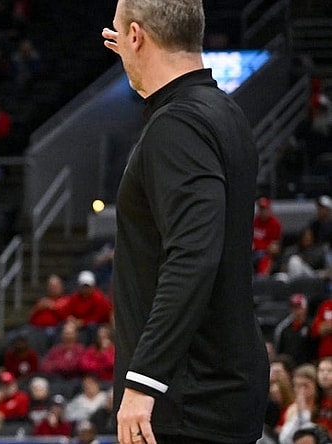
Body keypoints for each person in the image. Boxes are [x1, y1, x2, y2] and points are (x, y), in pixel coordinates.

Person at [101, 1, 270, 442]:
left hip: (187, 398)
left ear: (136, 36)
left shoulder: (177, 125)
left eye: (123, 36)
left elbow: (193, 256)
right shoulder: (220, 112)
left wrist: (143, 381)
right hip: (215, 387)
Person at [60, 271, 112, 346]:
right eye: (84, 286)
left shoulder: (99, 298)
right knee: (63, 327)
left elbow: (97, 317)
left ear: (93, 286)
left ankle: (89, 347)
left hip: (96, 324)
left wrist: (83, 322)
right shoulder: (75, 297)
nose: (85, 289)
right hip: (78, 323)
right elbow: (65, 311)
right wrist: (70, 319)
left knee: (92, 327)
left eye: (88, 286)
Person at [274, 294, 317, 366]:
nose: (296, 311)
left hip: (307, 365)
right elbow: (279, 347)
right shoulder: (284, 327)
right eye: (294, 307)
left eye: (299, 307)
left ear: (305, 308)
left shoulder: (311, 325)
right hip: (288, 365)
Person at [253, 197, 283, 276]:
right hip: (254, 252)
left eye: (264, 209)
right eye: (261, 209)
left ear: (269, 209)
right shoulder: (255, 221)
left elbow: (275, 246)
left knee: (265, 258)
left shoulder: (275, 223)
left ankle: (262, 279)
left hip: (266, 253)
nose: (262, 211)